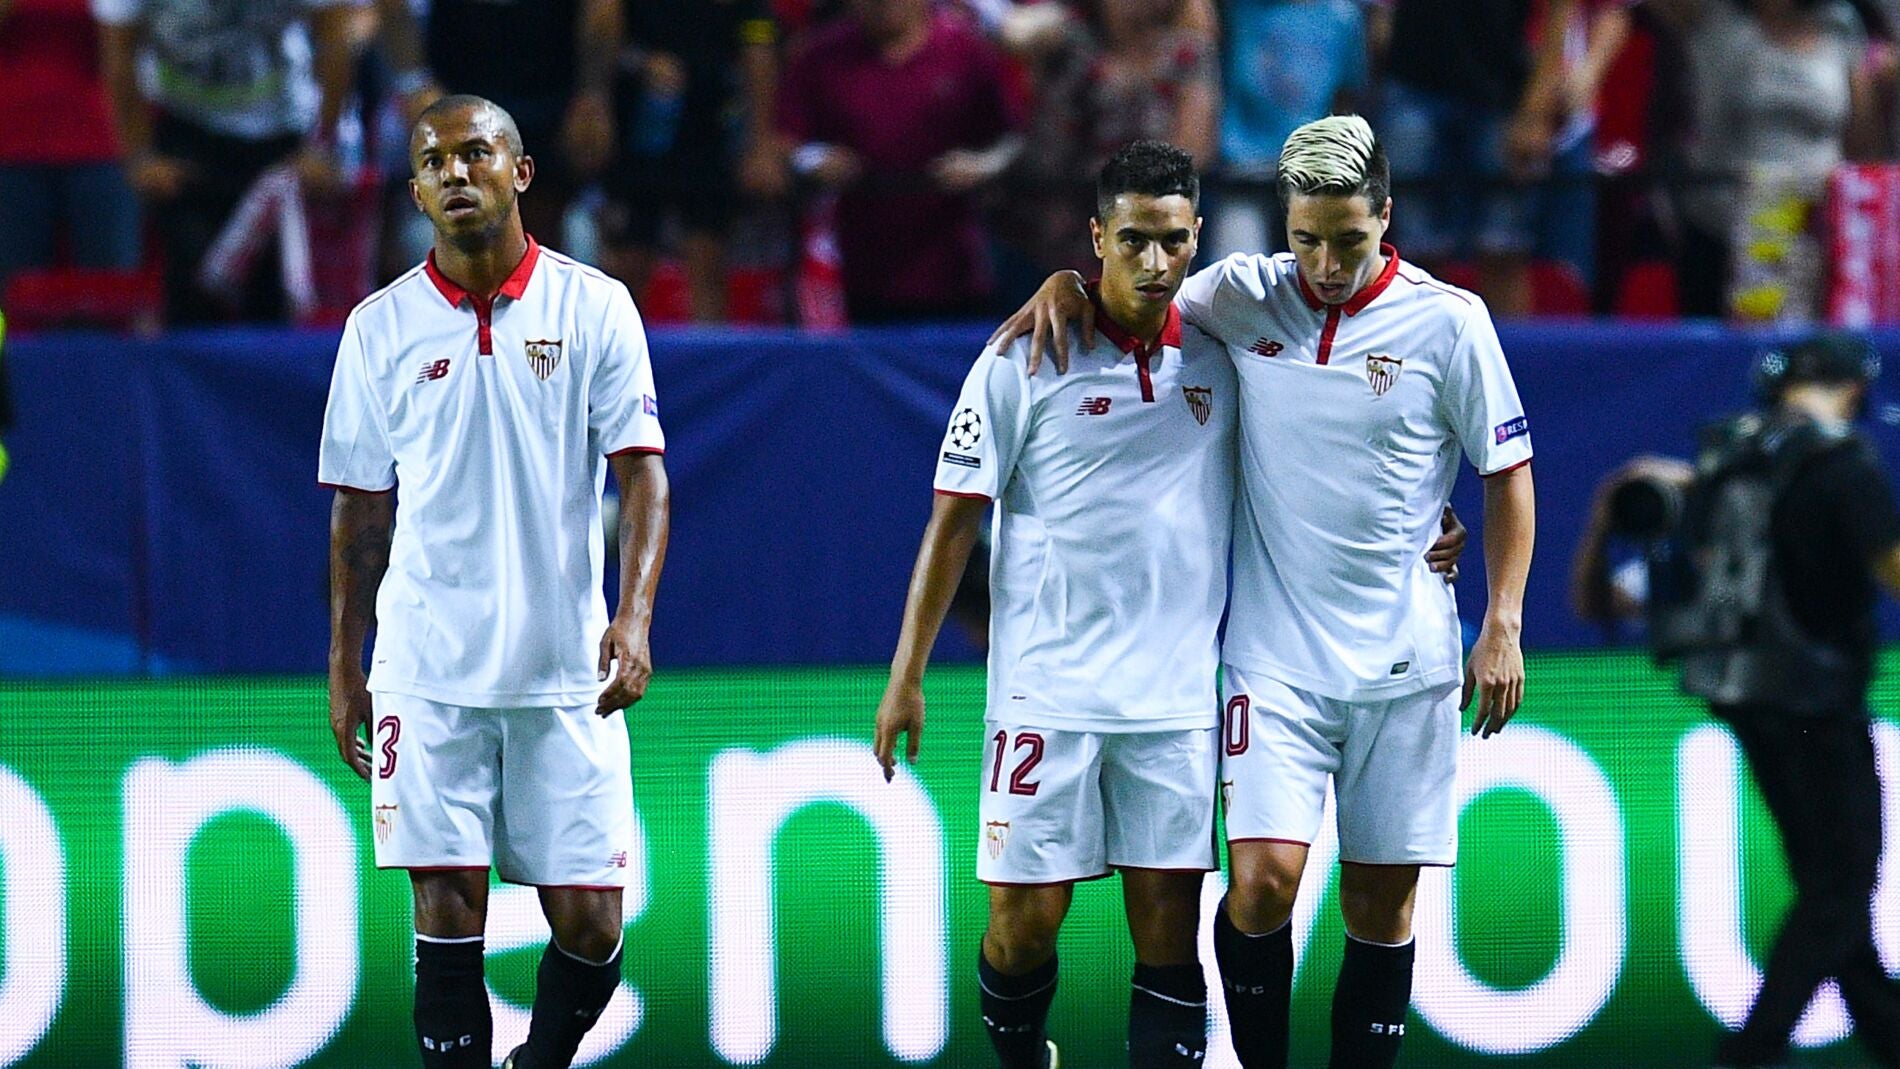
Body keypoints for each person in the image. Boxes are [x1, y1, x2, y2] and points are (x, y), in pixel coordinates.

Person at [993, 114, 1536, 1069]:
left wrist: (1502, 620)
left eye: (1349, 239)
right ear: (1281, 226)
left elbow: (1508, 473)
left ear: (1388, 218)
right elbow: (1137, 293)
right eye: (1305, 238)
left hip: (1407, 658)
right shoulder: (1240, 298)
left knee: (1381, 902)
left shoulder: (1451, 323)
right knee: (1261, 884)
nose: (1325, 263)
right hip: (1273, 658)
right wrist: (1068, 283)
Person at [319, 94, 669, 1069]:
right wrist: (348, 664)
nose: (456, 172)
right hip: (427, 670)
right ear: (417, 190)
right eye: (435, 162)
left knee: (594, 924)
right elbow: (358, 514)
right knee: (444, 906)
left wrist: (633, 619)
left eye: (477, 153)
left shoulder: (594, 306)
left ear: (520, 172)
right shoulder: (378, 328)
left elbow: (643, 471)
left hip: (563, 669)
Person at [875, 141, 1230, 1069]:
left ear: (1195, 239)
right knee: (1021, 923)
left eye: (1171, 242)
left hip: (1174, 701)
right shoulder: (1023, 359)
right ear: (1096, 238)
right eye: (1131, 242)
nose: (1153, 265)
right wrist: (905, 675)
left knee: (1168, 930)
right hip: (1047, 694)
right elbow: (952, 523)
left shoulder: (1230, 357)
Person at [1581, 333, 1900, 1069]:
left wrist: (1603, 520)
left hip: (1743, 698)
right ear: (1853, 392)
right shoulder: (1845, 466)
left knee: (1830, 891)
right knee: (1841, 889)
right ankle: (1748, 1054)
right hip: (1820, 702)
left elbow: (1603, 598)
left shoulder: (1721, 469)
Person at [93, 0, 354, 324]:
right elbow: (119, 54)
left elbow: (335, 38)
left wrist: (323, 145)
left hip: (281, 135)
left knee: (276, 296)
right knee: (190, 292)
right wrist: (140, 157)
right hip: (185, 134)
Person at [774, 0, 1023, 322]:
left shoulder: (966, 50)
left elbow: (1013, 140)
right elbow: (783, 142)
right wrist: (814, 158)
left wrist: (983, 164)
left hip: (954, 262)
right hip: (850, 264)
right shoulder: (821, 55)